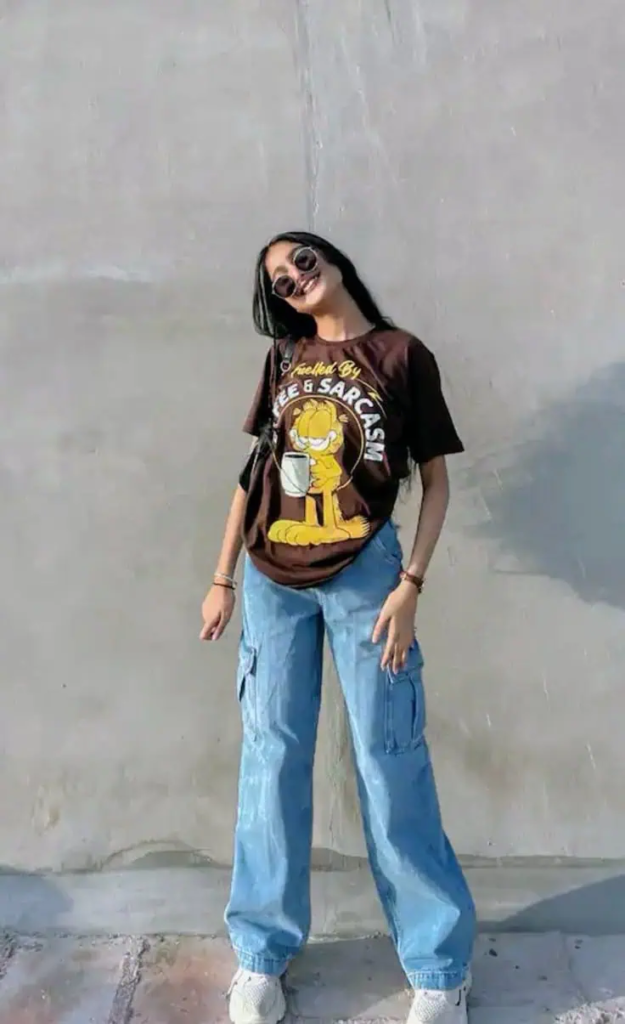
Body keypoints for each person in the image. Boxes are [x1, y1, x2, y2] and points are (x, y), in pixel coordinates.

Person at [200, 231, 476, 1024]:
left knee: (389, 759)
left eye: (300, 262)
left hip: (366, 576)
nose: (294, 280)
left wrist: (410, 585)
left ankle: (439, 966)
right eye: (279, 282)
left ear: (332, 259)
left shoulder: (399, 355)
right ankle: (260, 955)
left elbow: (435, 481)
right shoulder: (284, 359)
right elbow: (254, 474)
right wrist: (222, 578)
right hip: (271, 577)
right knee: (271, 758)